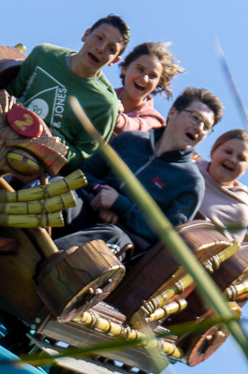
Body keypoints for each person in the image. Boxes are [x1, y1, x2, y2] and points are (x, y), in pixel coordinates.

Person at [54, 86, 225, 261]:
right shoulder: (130, 140)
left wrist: (120, 206)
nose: (199, 128)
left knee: (112, 237)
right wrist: (100, 191)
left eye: (207, 127)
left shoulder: (191, 182)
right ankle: (25, 234)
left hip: (122, 240)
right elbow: (85, 173)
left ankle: (43, 266)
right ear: (173, 112)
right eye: (195, 118)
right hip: (88, 207)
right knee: (58, 186)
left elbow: (167, 236)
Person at [5, 15, 130, 172]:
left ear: (114, 60)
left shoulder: (104, 104)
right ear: (86, 34)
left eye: (111, 49)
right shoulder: (44, 55)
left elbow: (82, 160)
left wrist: (50, 142)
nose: (101, 48)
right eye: (99, 38)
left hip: (33, 164)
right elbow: (9, 94)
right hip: (0, 131)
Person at [196, 129, 248, 243]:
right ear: (213, 151)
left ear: (246, 169)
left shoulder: (239, 209)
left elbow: (221, 252)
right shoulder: (189, 167)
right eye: (228, 152)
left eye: (241, 158)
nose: (232, 159)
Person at [113, 41, 184, 135]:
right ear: (125, 68)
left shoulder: (155, 121)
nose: (144, 79)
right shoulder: (103, 94)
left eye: (152, 76)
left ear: (158, 83)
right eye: (140, 69)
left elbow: (137, 128)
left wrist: (116, 117)